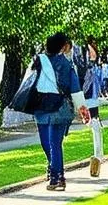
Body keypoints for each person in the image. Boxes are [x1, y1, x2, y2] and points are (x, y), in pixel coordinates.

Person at [31, 32, 91, 192]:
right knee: (50, 144)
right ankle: (57, 172)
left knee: (50, 143)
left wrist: (82, 108)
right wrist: (82, 108)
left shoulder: (49, 62)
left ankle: (55, 176)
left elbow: (29, 82)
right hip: (52, 107)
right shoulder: (57, 63)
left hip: (51, 108)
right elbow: (75, 88)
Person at [81, 42, 106, 177]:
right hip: (87, 100)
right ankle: (97, 157)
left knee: (95, 126)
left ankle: (98, 157)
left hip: (91, 100)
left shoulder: (92, 68)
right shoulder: (87, 69)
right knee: (94, 126)